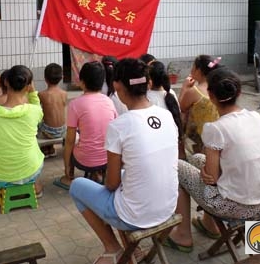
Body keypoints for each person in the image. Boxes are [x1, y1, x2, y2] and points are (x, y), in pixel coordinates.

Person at [69, 58, 179, 264]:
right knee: (124, 180)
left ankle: (113, 249)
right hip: (168, 207)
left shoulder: (120, 125)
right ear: (147, 83)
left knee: (77, 186)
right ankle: (129, 250)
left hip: (135, 215)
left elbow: (111, 184)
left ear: (117, 85)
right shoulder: (166, 116)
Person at [165, 68, 260, 251]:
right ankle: (210, 225)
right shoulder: (255, 117)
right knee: (199, 157)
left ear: (210, 95)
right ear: (239, 93)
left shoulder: (215, 128)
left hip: (233, 205)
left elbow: (212, 178)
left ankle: (183, 235)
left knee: (176, 166)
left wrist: (207, 173)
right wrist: (208, 172)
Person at [0, 65, 45, 202]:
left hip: (1, 174)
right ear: (28, 87)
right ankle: (34, 186)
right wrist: (33, 92)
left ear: (5, 82)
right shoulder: (34, 111)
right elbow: (37, 106)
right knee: (35, 158)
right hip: (30, 170)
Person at [53, 61, 117, 190]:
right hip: (107, 159)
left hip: (84, 161)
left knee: (70, 140)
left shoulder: (75, 104)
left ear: (82, 82)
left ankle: (69, 177)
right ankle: (97, 174)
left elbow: (70, 140)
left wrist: (66, 166)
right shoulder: (109, 101)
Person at [178, 55, 222, 154]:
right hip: (217, 135)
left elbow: (181, 108)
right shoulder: (219, 88)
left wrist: (184, 88)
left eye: (193, 67)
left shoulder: (194, 91)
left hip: (198, 138)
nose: (191, 70)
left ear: (198, 70)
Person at [38, 63, 68, 158]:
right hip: (62, 130)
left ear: (45, 79)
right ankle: (50, 148)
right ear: (61, 78)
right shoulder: (64, 93)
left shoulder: (42, 94)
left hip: (48, 132)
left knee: (38, 122)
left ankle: (47, 148)